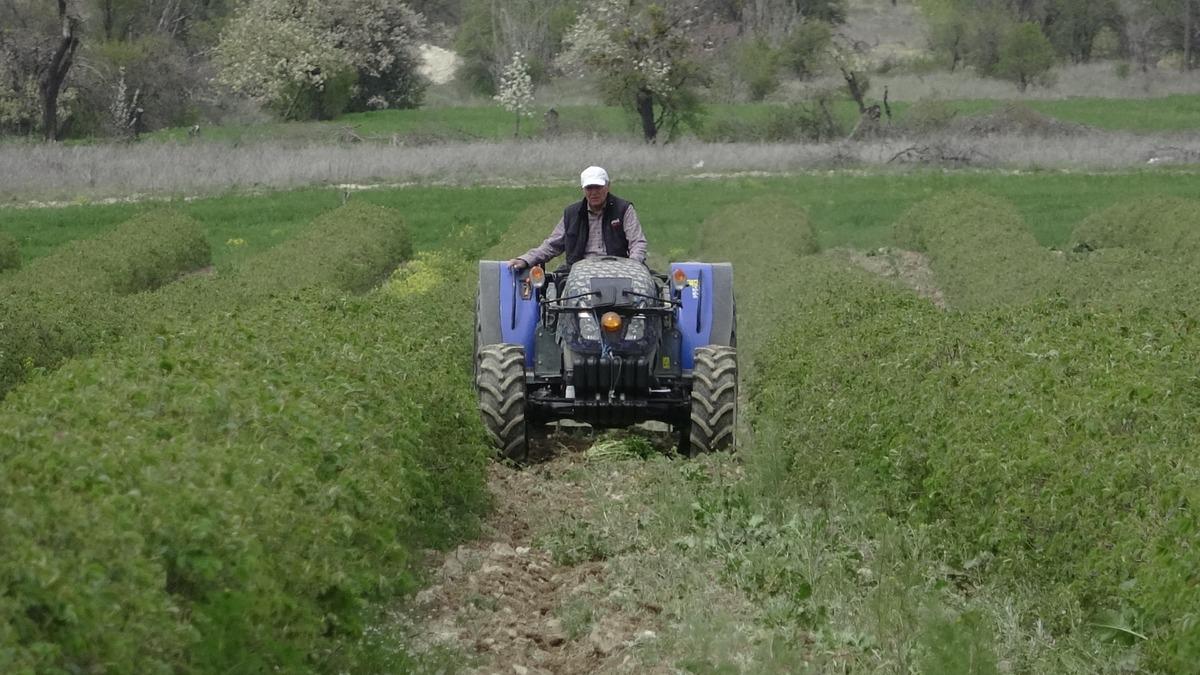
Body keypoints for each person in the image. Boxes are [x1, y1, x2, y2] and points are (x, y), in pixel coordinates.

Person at [507, 166, 647, 271]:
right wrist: (526, 260)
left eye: (598, 187)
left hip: (619, 270)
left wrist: (631, 267)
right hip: (579, 272)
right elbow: (552, 245)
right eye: (589, 188)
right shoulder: (572, 213)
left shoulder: (624, 209)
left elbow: (638, 243)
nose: (594, 192)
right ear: (583, 189)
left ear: (608, 187)